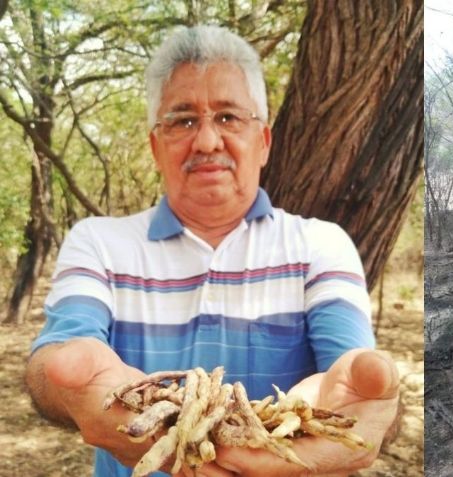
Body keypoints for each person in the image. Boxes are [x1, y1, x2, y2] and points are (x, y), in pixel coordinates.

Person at [24, 25, 399, 477]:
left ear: (263, 142)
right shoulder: (98, 243)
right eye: (182, 120)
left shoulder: (319, 244)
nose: (206, 141)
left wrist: (368, 402)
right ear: (155, 145)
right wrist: (68, 384)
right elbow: (51, 366)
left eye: (228, 117)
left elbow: (354, 378)